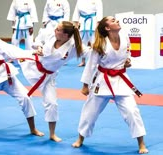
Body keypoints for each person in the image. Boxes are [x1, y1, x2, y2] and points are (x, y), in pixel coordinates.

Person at [72, 16, 149, 154]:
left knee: (132, 111)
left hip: (121, 80)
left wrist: (127, 61)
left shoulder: (125, 38)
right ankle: (80, 138)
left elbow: (127, 55)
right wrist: (85, 85)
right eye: (113, 21)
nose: (117, 21)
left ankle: (141, 143)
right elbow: (90, 65)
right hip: (102, 81)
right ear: (107, 28)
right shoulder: (100, 43)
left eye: (116, 20)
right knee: (90, 113)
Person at [18, 21, 90, 142]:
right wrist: (39, 46)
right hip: (32, 66)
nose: (55, 30)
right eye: (56, 28)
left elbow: (91, 52)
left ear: (65, 35)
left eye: (58, 29)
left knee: (52, 104)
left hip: (47, 77)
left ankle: (52, 134)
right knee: (9, 54)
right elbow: (38, 40)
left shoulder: (74, 46)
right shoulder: (50, 33)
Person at [72, 0, 103, 67]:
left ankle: (96, 61)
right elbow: (76, 12)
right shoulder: (79, 1)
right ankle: (83, 60)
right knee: (82, 42)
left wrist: (98, 23)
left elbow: (99, 11)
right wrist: (76, 23)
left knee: (94, 42)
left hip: (93, 21)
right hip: (82, 22)